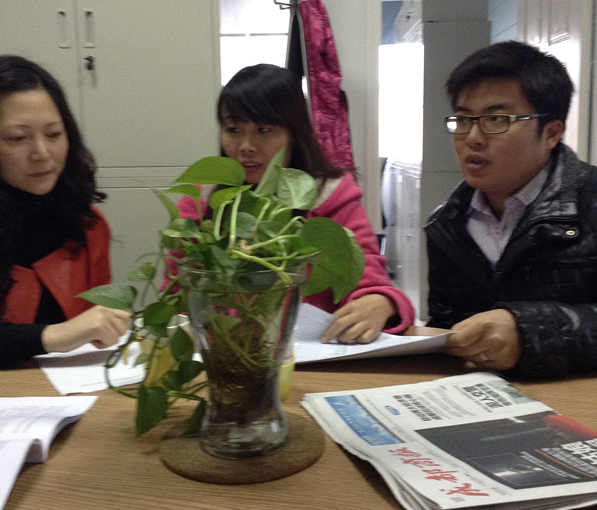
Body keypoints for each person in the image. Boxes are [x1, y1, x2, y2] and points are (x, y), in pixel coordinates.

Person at [174, 63, 414, 343]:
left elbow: (367, 277)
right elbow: (177, 293)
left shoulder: (329, 196)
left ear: (295, 134)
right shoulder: (202, 200)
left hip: (309, 354)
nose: (246, 146)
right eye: (233, 129)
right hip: (223, 352)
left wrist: (382, 301)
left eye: (264, 130)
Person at [424, 40, 597, 378]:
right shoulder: (446, 224)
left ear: (551, 133)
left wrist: (528, 331)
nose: (472, 137)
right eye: (463, 119)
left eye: (497, 119)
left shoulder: (589, 199)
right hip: (481, 397)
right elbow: (446, 327)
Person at [0, 55, 130, 367]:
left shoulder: (87, 226)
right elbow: (70, 333)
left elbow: (96, 333)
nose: (41, 153)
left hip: (67, 391)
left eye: (54, 134)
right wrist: (55, 335)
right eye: (17, 138)